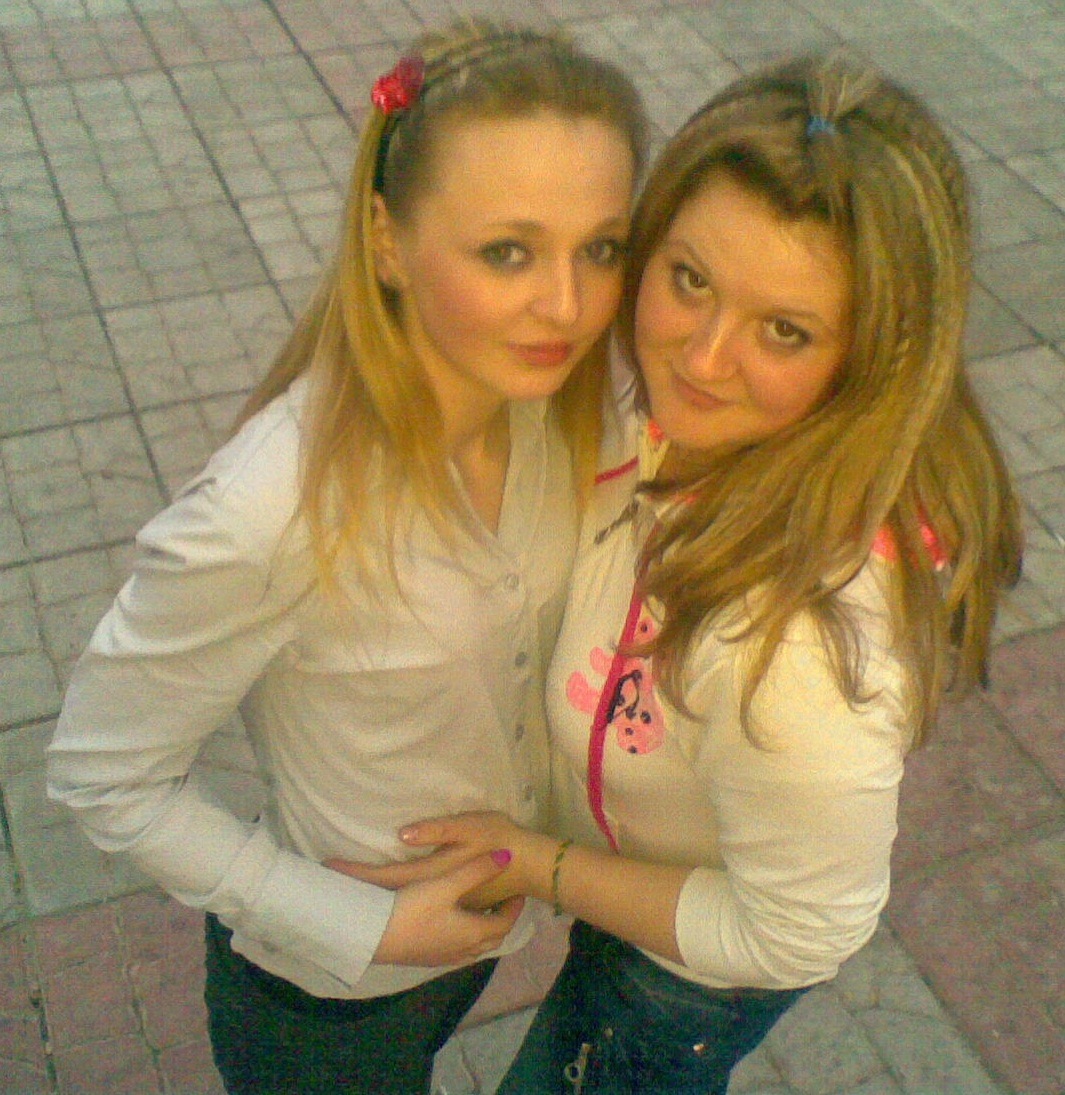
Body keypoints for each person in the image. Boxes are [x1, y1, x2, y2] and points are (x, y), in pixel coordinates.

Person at [332, 52, 1023, 1093]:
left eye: (783, 330)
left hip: (681, 987)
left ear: (873, 354)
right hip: (633, 880)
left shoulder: (797, 652)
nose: (699, 359)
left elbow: (797, 932)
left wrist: (538, 862)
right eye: (689, 279)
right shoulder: (696, 431)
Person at [46, 19, 647, 1095]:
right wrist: (352, 923)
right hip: (325, 1000)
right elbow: (103, 774)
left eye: (600, 248)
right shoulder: (275, 506)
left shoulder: (558, 419)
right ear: (385, 240)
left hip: (476, 943)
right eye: (508, 251)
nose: (568, 304)